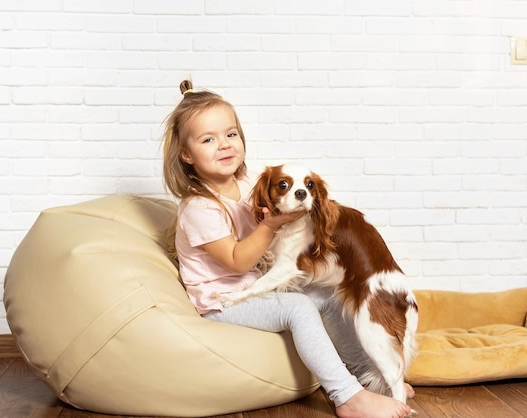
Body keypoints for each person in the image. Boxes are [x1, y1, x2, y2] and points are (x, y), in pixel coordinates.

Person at [161, 79, 412, 418]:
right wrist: (270, 225)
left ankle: (364, 375)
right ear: (186, 155)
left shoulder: (249, 184)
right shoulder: (198, 208)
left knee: (327, 297)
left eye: (230, 134)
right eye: (208, 139)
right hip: (221, 302)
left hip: (252, 288)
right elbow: (237, 262)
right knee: (298, 308)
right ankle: (347, 396)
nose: (224, 145)